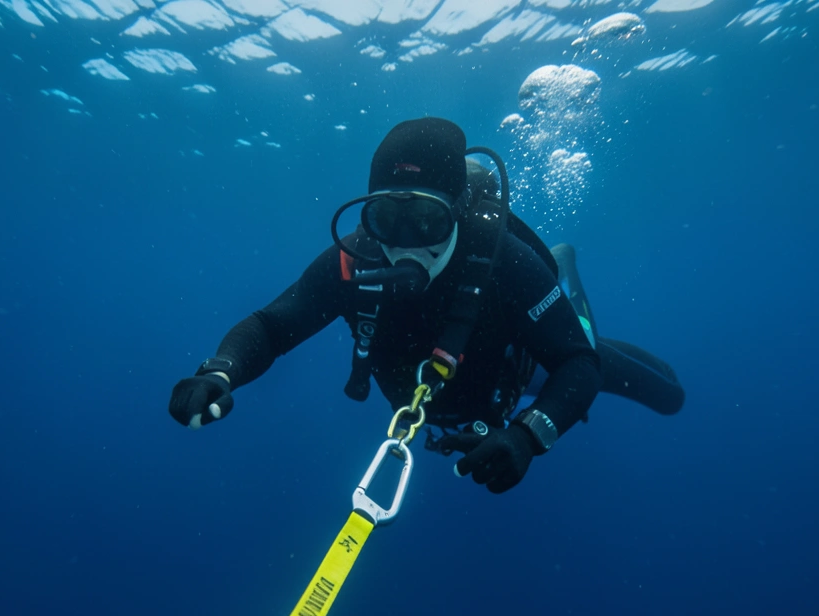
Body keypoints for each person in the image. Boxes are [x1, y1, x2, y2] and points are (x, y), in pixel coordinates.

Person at [169, 117, 684, 494]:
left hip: (517, 368)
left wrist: (528, 435)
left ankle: (566, 274)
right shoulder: (352, 261)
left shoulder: (504, 261)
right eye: (386, 219)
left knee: (657, 390)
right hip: (444, 393)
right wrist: (220, 371)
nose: (404, 243)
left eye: (426, 221)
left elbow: (577, 364)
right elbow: (271, 326)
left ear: (457, 213)